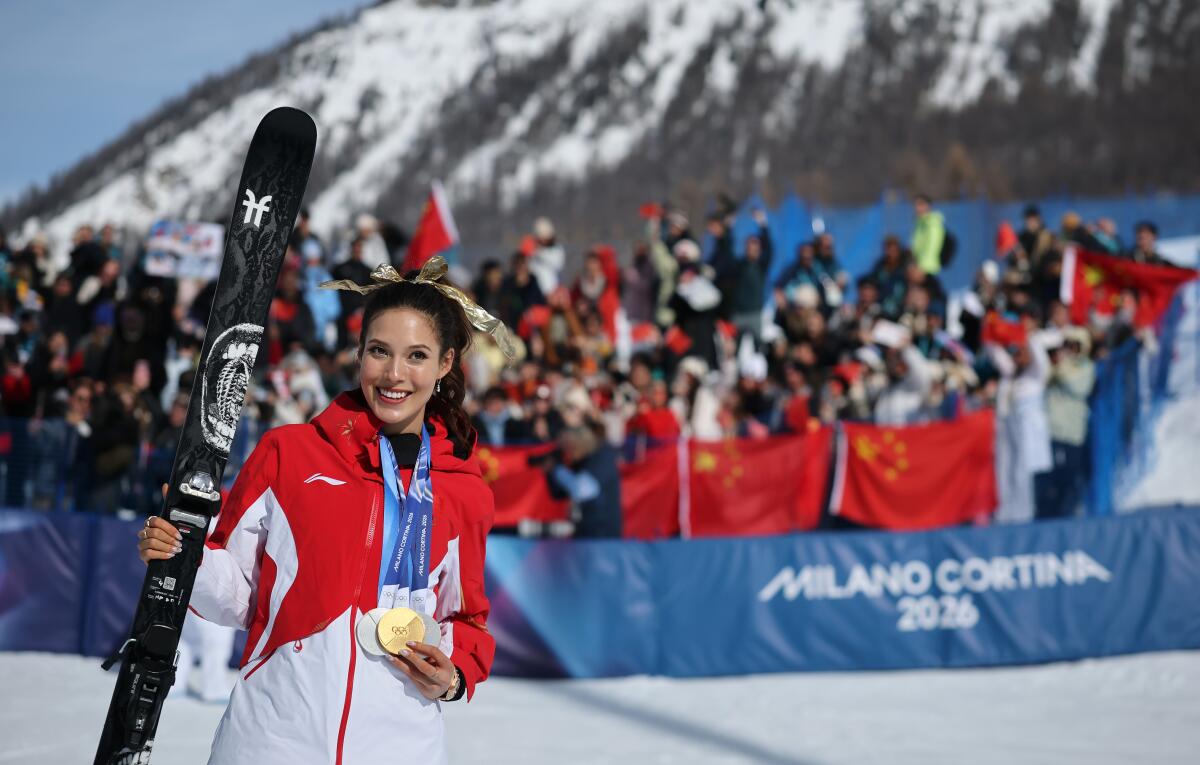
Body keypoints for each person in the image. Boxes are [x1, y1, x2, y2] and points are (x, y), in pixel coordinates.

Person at [137, 256, 509, 763]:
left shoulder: (464, 490)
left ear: (445, 364)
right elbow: (240, 594)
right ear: (358, 355)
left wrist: (455, 676)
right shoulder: (288, 454)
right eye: (379, 351)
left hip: (400, 745)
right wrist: (185, 555)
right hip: (271, 738)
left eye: (417, 355)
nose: (395, 374)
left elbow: (465, 617)